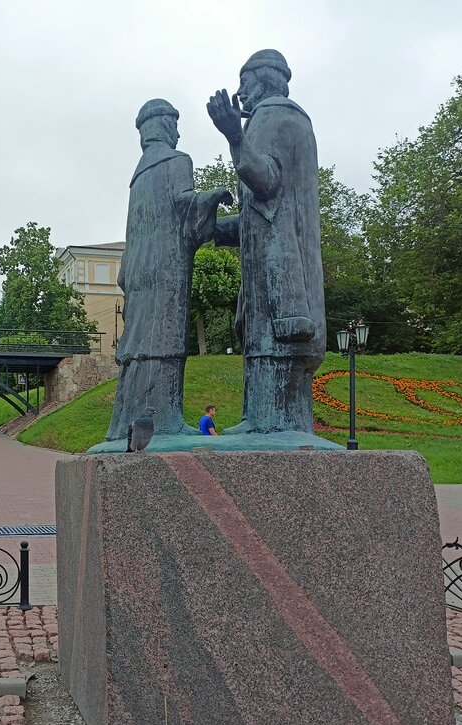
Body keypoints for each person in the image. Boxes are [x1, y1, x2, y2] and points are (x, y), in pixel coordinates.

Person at [207, 50, 326, 434]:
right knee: (263, 346)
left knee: (272, 345)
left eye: (245, 82)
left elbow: (267, 182)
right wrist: (212, 227)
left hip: (281, 265)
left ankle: (270, 426)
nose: (240, 92)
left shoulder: (274, 114)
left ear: (266, 79)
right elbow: (263, 210)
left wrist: (234, 136)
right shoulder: (282, 116)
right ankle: (261, 420)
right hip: (274, 257)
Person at [104, 99, 232, 442]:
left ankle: (126, 425)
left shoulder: (139, 174)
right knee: (165, 338)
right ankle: (165, 419)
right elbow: (185, 208)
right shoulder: (177, 161)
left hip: (138, 270)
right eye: (173, 123)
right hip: (165, 268)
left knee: (140, 341)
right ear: (160, 125)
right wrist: (214, 196)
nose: (178, 131)